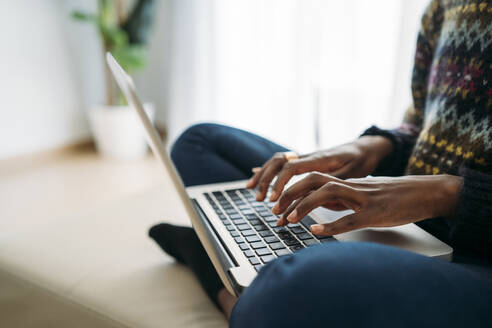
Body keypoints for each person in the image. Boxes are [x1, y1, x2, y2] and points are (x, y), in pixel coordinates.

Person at [149, 1, 492, 327]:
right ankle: (259, 264)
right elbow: (419, 123)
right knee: (199, 142)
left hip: (476, 253)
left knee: (303, 285)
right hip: (404, 216)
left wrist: (448, 194)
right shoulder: (446, 3)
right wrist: (372, 147)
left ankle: (225, 276)